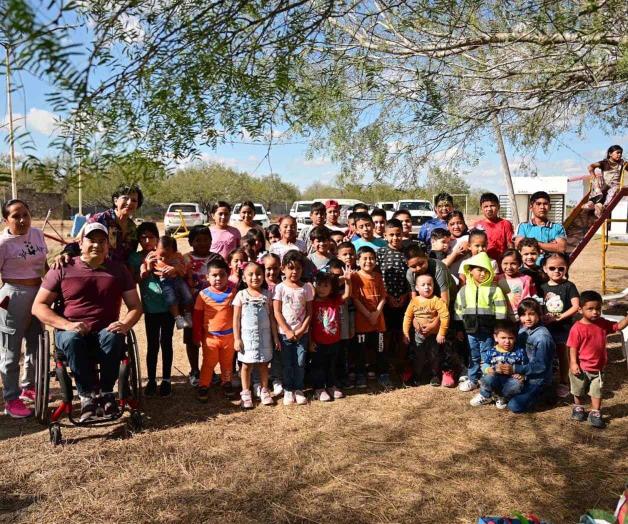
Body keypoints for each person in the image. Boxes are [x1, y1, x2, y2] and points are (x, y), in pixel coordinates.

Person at [32, 223, 142, 422]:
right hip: (70, 329)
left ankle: (107, 394)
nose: (97, 245)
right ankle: (86, 397)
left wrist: (125, 324)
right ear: (80, 243)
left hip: (105, 331)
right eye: (91, 240)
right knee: (73, 339)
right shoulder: (62, 268)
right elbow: (38, 306)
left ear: (108, 246)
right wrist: (66, 325)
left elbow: (135, 305)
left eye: (102, 241)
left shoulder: (119, 270)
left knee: (115, 335)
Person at [0, 199, 48, 418]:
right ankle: (11, 398)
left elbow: (44, 264)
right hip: (13, 295)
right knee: (11, 350)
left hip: (39, 293)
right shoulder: (3, 243)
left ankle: (30, 386)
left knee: (36, 343)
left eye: (25, 215)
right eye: (16, 216)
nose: (22, 220)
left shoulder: (37, 234)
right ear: (5, 220)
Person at [567, 290, 628, 428]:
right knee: (578, 390)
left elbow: (618, 326)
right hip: (581, 368)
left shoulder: (602, 323)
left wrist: (627, 317)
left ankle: (595, 412)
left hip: (598, 369)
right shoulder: (577, 328)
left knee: (597, 391)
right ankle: (578, 407)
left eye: (598, 309)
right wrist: (573, 363)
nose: (595, 312)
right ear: (580, 309)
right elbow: (572, 348)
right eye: (590, 309)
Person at [128, 222, 175, 397]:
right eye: (143, 237)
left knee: (167, 342)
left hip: (169, 307)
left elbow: (178, 265)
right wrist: (145, 268)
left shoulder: (165, 252)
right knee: (152, 344)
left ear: (157, 237)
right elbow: (133, 281)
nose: (147, 240)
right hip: (150, 308)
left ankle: (167, 380)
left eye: (151, 237)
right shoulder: (134, 257)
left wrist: (171, 268)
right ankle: (152, 380)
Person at [455, 252, 508, 393]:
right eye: (479, 270)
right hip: (470, 330)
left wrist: (499, 330)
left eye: (486, 270)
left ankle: (487, 380)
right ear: (470, 271)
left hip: (488, 331)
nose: (483, 273)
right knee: (473, 355)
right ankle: (472, 379)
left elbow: (501, 310)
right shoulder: (463, 291)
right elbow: (458, 311)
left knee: (487, 355)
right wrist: (459, 329)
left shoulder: (495, 290)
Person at [233, 262, 280, 409]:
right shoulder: (241, 295)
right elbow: (235, 319)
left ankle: (264, 390)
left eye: (258, 274)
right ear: (244, 277)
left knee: (264, 364)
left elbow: (272, 317)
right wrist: (237, 338)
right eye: (250, 274)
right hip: (247, 338)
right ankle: (246, 392)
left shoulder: (267, 294)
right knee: (246, 365)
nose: (255, 277)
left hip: (265, 337)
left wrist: (275, 337)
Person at [60, 184, 143, 265]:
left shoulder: (133, 228)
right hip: (98, 271)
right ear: (115, 201)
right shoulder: (100, 219)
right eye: (125, 198)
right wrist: (66, 253)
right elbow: (78, 242)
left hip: (121, 273)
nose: (129, 202)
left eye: (134, 200)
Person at [193, 258, 238, 402]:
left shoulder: (233, 293)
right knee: (208, 363)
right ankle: (204, 385)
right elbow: (197, 317)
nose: (218, 278)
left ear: (228, 275)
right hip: (210, 338)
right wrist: (197, 336)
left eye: (222, 275)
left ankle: (226, 383)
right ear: (207, 277)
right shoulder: (203, 295)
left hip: (229, 337)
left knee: (227, 362)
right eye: (214, 275)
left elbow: (238, 315)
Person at [182, 225, 222, 387]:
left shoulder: (217, 258)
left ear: (211, 241)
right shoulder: (185, 259)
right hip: (190, 306)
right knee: (192, 339)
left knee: (209, 339)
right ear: (191, 242)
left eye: (206, 239)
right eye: (198, 240)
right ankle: (194, 371)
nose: (203, 243)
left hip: (212, 308)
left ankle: (209, 369)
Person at [273, 251, 314, 405]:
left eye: (298, 268)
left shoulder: (307, 288)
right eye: (290, 268)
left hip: (302, 334)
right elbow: (277, 311)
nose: (294, 272)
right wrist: (288, 331)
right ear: (283, 268)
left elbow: (310, 312)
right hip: (285, 334)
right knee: (287, 362)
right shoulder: (280, 288)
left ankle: (298, 388)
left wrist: (302, 330)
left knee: (300, 361)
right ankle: (288, 389)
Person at [540, 252, 579, 398]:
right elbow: (539, 305)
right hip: (546, 328)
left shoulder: (569, 286)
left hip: (564, 328)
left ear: (566, 268)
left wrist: (559, 317)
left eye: (561, 268)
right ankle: (548, 381)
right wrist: (542, 317)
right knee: (547, 354)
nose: (557, 271)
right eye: (552, 268)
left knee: (563, 355)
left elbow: (575, 306)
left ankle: (564, 381)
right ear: (545, 268)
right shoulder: (542, 287)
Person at [309, 268, 352, 401]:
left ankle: (331, 385)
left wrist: (348, 281)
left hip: (334, 340)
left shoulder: (334, 300)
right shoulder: (312, 302)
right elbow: (309, 324)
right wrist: (310, 341)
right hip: (318, 342)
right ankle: (319, 388)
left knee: (331, 365)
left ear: (332, 288)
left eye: (326, 285)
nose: (321, 288)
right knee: (318, 366)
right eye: (319, 285)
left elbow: (346, 295)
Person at [402, 274, 452, 387]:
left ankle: (435, 376)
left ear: (434, 286)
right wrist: (405, 333)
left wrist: (441, 333)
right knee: (418, 356)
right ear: (417, 288)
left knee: (434, 355)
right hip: (418, 336)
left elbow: (445, 316)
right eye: (423, 285)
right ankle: (417, 375)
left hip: (434, 336)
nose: (426, 287)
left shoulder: (437, 301)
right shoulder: (414, 301)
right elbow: (407, 317)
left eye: (429, 284)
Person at [507, 298, 555, 413]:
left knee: (515, 406)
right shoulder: (523, 329)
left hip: (537, 378)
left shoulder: (542, 337)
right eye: (523, 315)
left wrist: (516, 369)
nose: (527, 318)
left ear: (539, 314)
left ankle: (544, 392)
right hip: (522, 373)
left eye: (531, 314)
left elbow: (540, 366)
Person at [377, 219, 411, 379]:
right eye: (391, 235)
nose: (395, 238)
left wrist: (405, 296)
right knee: (387, 334)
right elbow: (378, 277)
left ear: (403, 234)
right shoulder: (381, 253)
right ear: (385, 235)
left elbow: (411, 277)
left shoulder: (408, 252)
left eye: (398, 235)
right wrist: (387, 296)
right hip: (386, 301)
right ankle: (386, 364)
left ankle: (401, 363)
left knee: (403, 333)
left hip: (405, 300)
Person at [351, 246, 387, 387]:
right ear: (358, 261)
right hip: (362, 322)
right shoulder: (355, 277)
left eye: (371, 258)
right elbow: (355, 299)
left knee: (380, 348)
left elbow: (383, 297)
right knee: (361, 350)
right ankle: (360, 374)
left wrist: (377, 313)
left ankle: (383, 373)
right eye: (364, 258)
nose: (368, 261)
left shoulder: (378, 276)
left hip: (379, 322)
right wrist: (368, 315)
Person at [469, 320, 526, 409]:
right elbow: (484, 364)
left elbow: (524, 367)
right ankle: (485, 395)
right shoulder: (491, 351)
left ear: (515, 338)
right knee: (487, 378)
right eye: (503, 338)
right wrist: (488, 369)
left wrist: (521, 375)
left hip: (510, 381)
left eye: (510, 338)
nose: (507, 341)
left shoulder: (519, 352)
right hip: (495, 378)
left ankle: (503, 398)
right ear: (495, 337)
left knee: (517, 384)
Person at [145, 235, 194, 329]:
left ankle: (187, 315)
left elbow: (184, 270)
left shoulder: (178, 255)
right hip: (165, 281)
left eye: (167, 256)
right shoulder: (152, 254)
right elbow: (145, 265)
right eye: (161, 256)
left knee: (188, 296)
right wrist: (146, 266)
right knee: (171, 299)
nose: (164, 259)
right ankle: (178, 318)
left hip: (178, 279)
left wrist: (175, 269)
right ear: (156, 247)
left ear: (172, 250)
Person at [514, 191, 566, 263]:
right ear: (531, 207)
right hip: (528, 269)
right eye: (538, 204)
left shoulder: (557, 227)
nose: (542, 207)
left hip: (550, 269)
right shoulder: (523, 226)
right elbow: (519, 245)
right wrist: (550, 245)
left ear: (550, 207)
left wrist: (532, 243)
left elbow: (561, 248)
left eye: (545, 204)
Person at [328, 258, 356, 390]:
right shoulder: (325, 294)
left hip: (343, 332)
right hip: (329, 333)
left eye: (340, 276)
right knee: (331, 358)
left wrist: (348, 280)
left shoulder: (344, 294)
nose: (337, 279)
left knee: (342, 356)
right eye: (334, 276)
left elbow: (350, 308)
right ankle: (332, 379)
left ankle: (342, 378)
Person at [261, 253, 283, 395]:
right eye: (268, 268)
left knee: (277, 354)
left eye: (275, 268)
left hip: (279, 326)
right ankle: (259, 381)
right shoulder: (258, 286)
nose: (272, 272)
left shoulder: (283, 285)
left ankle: (276, 379)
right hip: (262, 326)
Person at [584, 145, 625, 218]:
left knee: (614, 190)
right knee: (597, 181)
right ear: (610, 154)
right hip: (604, 185)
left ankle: (601, 207)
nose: (620, 155)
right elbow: (590, 167)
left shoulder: (622, 163)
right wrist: (593, 176)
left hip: (614, 185)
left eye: (621, 153)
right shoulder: (604, 163)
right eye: (618, 153)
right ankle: (592, 202)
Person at [495, 249, 536, 321]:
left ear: (519, 264)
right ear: (500, 264)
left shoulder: (526, 279)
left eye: (513, 263)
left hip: (521, 317)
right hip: (503, 317)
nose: (509, 267)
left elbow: (529, 298)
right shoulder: (497, 279)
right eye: (505, 263)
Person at [474, 192, 514, 261]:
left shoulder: (506, 224)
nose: (489, 209)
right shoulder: (478, 225)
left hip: (501, 264)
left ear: (498, 207)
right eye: (486, 206)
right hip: (483, 264)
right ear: (481, 208)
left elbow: (510, 245)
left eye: (492, 205)